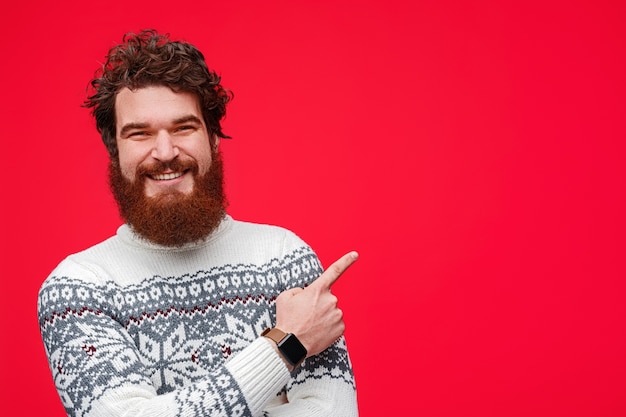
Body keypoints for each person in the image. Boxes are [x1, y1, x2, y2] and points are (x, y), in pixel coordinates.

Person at [38, 29, 359, 417]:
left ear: (213, 138)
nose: (165, 152)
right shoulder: (76, 289)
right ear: (115, 150)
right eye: (139, 134)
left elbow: (333, 411)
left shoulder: (283, 257)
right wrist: (285, 345)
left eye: (183, 128)